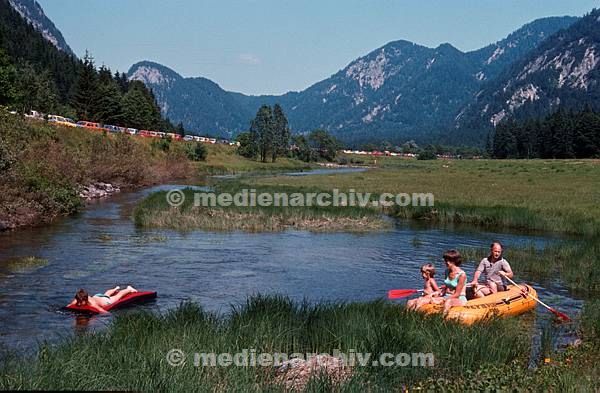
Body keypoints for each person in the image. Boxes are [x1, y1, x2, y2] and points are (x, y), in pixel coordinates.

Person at [67, 286, 138, 313]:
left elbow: (102, 311)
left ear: (85, 300)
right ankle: (115, 289)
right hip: (98, 296)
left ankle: (128, 289)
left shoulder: (92, 303)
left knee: (117, 296)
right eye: (78, 302)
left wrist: (109, 315)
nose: (79, 304)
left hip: (106, 301)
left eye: (80, 302)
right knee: (106, 294)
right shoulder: (78, 299)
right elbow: (69, 305)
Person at [441, 249, 467, 314]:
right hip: (447, 296)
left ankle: (441, 321)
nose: (446, 262)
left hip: (459, 298)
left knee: (448, 302)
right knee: (428, 298)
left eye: (448, 260)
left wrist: (444, 299)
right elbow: (446, 288)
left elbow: (457, 294)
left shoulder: (462, 275)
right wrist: (439, 294)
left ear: (454, 261)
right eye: (446, 260)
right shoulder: (447, 271)